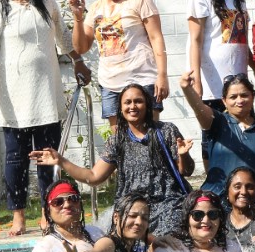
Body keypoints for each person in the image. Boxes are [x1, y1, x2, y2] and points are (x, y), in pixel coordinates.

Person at [0, 0, 90, 236]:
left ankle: (46, 214)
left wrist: (78, 60)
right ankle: (18, 215)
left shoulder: (46, 2)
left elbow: (62, 36)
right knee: (15, 159)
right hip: (12, 99)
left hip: (45, 95)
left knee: (48, 157)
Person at [31, 84, 193, 234]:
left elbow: (186, 171)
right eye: (127, 102)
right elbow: (93, 177)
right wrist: (61, 161)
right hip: (130, 208)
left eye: (138, 101)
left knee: (165, 237)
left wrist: (184, 154)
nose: (132, 106)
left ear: (147, 105)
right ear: (121, 109)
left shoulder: (166, 131)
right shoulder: (117, 141)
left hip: (167, 204)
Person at [70, 0, 169, 127]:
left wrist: (162, 75)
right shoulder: (95, 8)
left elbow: (156, 37)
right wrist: (78, 17)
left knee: (150, 135)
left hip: (143, 78)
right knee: (119, 142)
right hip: (110, 83)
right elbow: (81, 47)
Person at [186, 0, 251, 157]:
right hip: (213, 82)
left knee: (242, 134)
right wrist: (196, 80)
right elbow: (195, 40)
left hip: (239, 80)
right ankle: (214, 185)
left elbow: (243, 41)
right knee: (213, 136)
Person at [181, 71, 255, 204]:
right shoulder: (215, 122)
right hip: (216, 202)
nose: (239, 101)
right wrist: (187, 89)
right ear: (224, 101)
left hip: (254, 201)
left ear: (253, 96)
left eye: (244, 95)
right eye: (233, 97)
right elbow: (199, 108)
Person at [151, 189, 249, 252]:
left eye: (212, 214)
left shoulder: (230, 247)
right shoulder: (173, 249)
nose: (206, 221)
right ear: (187, 219)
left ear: (220, 219)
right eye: (197, 215)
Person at [18, 181, 104, 252]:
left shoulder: (95, 233)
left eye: (73, 198)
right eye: (58, 202)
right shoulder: (45, 248)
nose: (67, 204)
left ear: (80, 204)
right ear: (48, 211)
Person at [223, 166, 255, 250]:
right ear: (227, 192)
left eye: (249, 187)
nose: (244, 192)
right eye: (237, 187)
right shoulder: (220, 223)